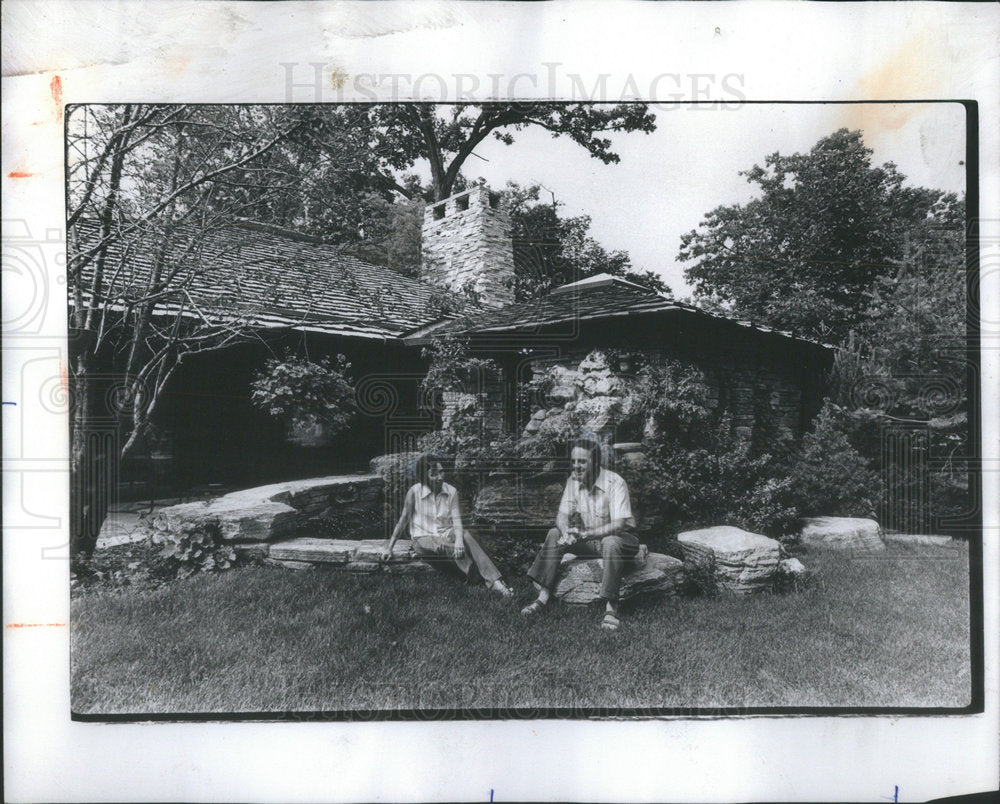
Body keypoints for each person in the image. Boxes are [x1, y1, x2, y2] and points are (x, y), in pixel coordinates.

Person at [521, 437, 640, 631]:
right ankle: (542, 597)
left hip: (622, 540)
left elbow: (618, 525)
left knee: (610, 542)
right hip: (593, 540)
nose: (576, 466)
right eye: (574, 461)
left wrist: (586, 535)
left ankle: (611, 607)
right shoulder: (573, 481)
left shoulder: (615, 482)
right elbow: (561, 515)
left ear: (595, 463)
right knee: (554, 533)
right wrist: (567, 531)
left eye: (582, 462)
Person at [381, 453, 513, 596]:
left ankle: (495, 582)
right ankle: (481, 575)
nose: (440, 477)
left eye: (442, 472)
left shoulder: (451, 491)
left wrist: (459, 541)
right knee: (441, 544)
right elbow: (403, 520)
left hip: (445, 532)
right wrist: (389, 548)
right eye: (434, 474)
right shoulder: (414, 492)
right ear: (424, 478)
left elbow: (456, 520)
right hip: (422, 538)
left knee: (465, 535)